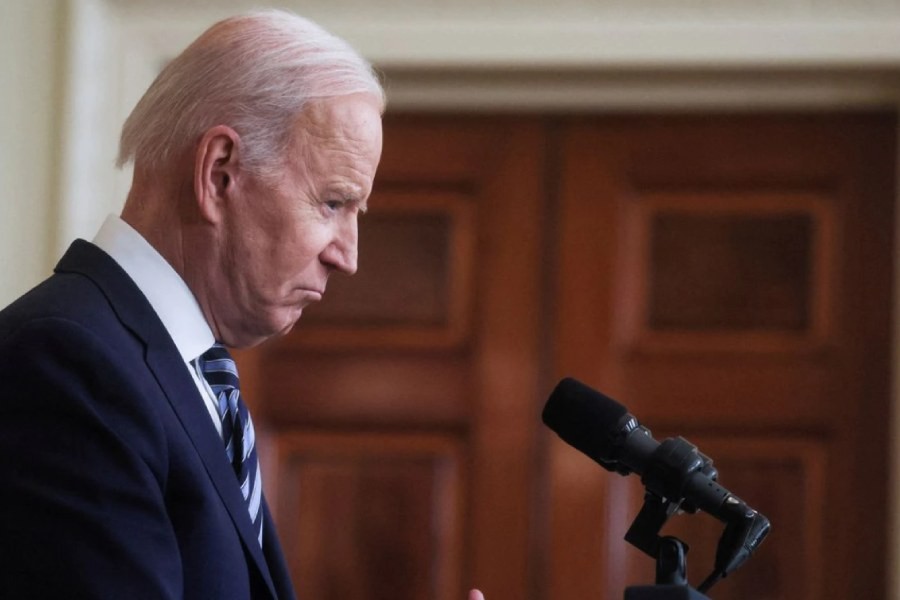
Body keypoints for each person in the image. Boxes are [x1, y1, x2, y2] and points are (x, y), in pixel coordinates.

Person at [0, 9, 485, 600]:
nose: (348, 256)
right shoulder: (70, 365)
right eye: (333, 202)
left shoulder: (176, 370)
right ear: (220, 172)